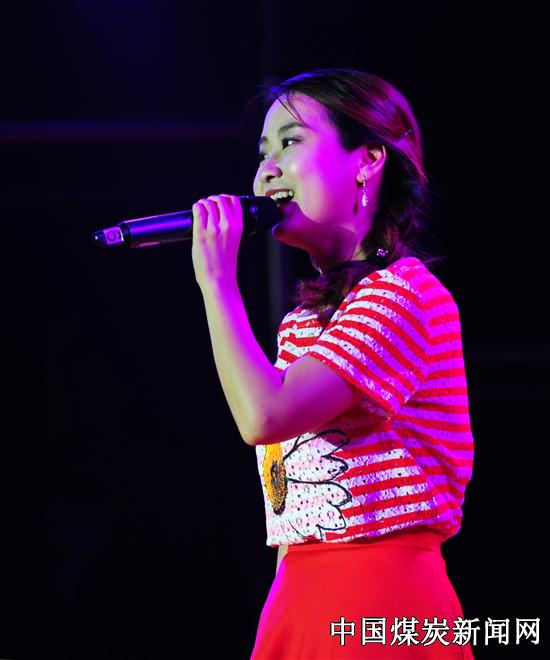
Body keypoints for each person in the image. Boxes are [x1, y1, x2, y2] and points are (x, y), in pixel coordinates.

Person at [191, 67, 475, 659]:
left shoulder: (403, 295)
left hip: (380, 598)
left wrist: (217, 282)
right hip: (301, 592)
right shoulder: (302, 325)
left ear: (367, 160)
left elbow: (263, 417)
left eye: (291, 142)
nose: (267, 170)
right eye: (262, 153)